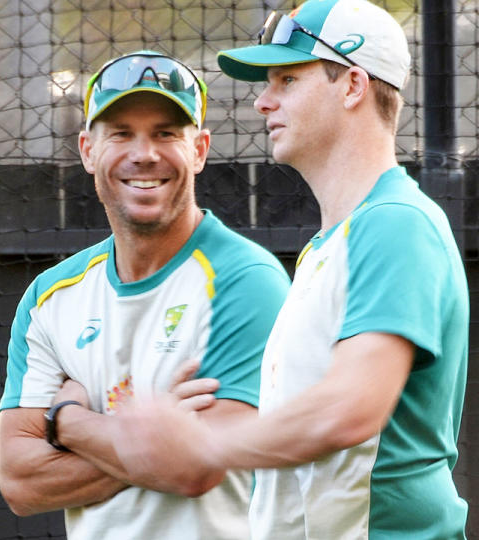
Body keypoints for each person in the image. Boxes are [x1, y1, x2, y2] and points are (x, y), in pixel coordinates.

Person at [109, 2, 469, 538]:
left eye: (287, 80)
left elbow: (346, 412)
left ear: (352, 86)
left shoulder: (395, 223)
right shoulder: (333, 244)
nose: (262, 100)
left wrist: (197, 443)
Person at [0, 51, 290, 539]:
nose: (144, 153)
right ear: (88, 150)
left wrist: (68, 422)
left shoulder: (246, 279)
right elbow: (21, 485)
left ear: (199, 149)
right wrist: (159, 443)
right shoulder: (51, 295)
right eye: (121, 133)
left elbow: (195, 470)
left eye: (165, 133)